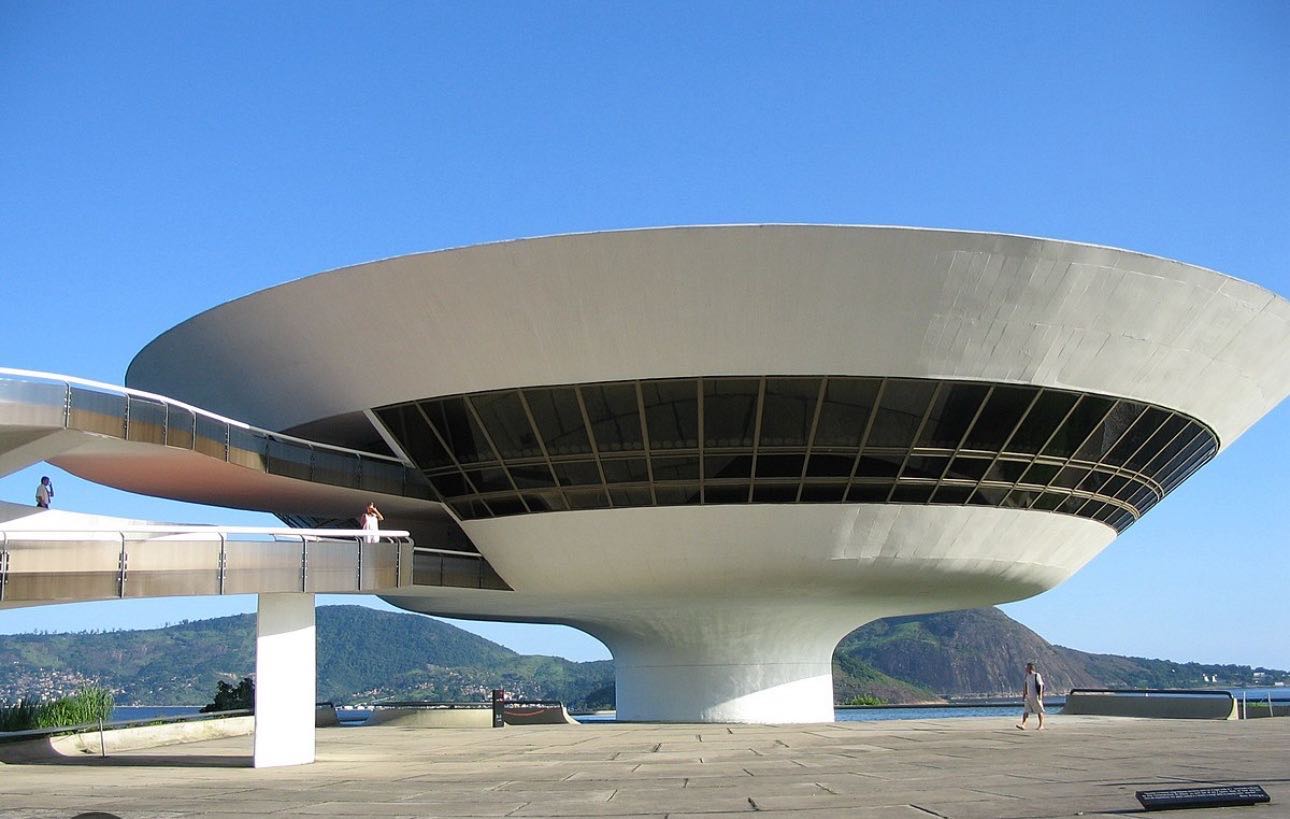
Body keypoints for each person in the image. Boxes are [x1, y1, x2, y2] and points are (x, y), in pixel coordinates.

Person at [1017, 661, 1046, 730]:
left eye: (1027, 667)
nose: (1025, 669)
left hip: (1036, 696)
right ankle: (1023, 725)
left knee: (1039, 711)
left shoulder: (1036, 675)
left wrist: (1040, 695)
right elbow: (1026, 685)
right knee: (1026, 711)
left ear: (1030, 668)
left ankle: (1041, 725)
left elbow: (1041, 685)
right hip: (1028, 697)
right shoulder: (1027, 676)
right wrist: (1024, 695)